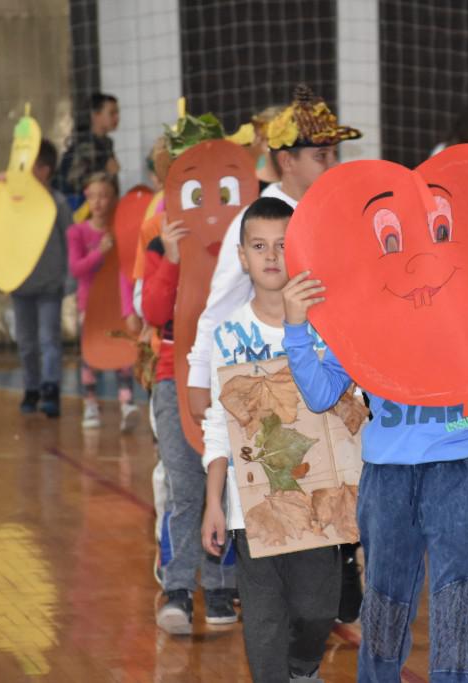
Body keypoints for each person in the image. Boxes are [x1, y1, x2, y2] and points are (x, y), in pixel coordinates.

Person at [281, 240, 468, 681]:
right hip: (388, 481)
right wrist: (296, 329)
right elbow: (321, 394)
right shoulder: (364, 319)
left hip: (460, 475)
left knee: (455, 610)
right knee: (384, 611)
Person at [186, 85, 366, 623]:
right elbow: (218, 308)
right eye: (321, 155)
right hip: (272, 381)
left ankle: (339, 573)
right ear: (287, 160)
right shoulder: (263, 222)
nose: (332, 164)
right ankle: (256, 593)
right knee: (284, 480)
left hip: (327, 375)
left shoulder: (329, 215)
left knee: (335, 471)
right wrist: (200, 374)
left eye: (334, 154)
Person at [201, 197, 338, 682]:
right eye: (259, 246)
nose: (272, 256)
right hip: (251, 506)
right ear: (243, 256)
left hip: (320, 502)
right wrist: (214, 503)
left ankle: (304, 667)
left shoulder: (328, 325)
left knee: (318, 609)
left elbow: (349, 409)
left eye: (282, 245)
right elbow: (218, 421)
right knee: (263, 634)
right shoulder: (229, 333)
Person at [143, 212, 238, 634]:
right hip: (172, 378)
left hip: (228, 376)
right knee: (184, 490)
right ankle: (178, 588)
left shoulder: (239, 240)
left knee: (230, 486)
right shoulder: (161, 244)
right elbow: (153, 310)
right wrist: (171, 257)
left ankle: (221, 585)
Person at [67, 172, 139, 432]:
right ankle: (90, 404)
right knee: (90, 354)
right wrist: (99, 253)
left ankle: (127, 402)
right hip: (90, 305)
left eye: (104, 196)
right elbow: (76, 269)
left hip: (117, 303)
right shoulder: (77, 232)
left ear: (113, 198)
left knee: (122, 351)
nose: (98, 202)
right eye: (93, 196)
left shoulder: (121, 230)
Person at [6, 139, 73, 417]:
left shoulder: (57, 203)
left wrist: (69, 279)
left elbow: (71, 239)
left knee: (48, 339)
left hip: (49, 285)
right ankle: (31, 388)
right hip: (21, 284)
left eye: (31, 165)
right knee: (26, 342)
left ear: (44, 170)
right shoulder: (14, 200)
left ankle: (50, 389)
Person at [55, 93, 121, 209]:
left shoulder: (106, 142)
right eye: (112, 113)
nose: (117, 118)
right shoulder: (85, 145)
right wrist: (105, 173)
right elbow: (73, 180)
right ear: (95, 115)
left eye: (117, 113)